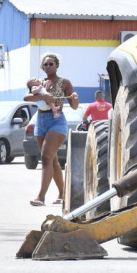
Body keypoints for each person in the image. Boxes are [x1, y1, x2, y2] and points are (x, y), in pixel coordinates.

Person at [25, 52, 78, 206]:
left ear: (57, 65)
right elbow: (26, 98)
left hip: (57, 121)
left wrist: (74, 98)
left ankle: (41, 197)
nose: (48, 66)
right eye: (45, 64)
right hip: (40, 121)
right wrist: (43, 97)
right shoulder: (38, 82)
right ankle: (62, 194)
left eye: (51, 64)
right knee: (52, 160)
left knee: (46, 157)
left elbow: (74, 106)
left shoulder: (64, 82)